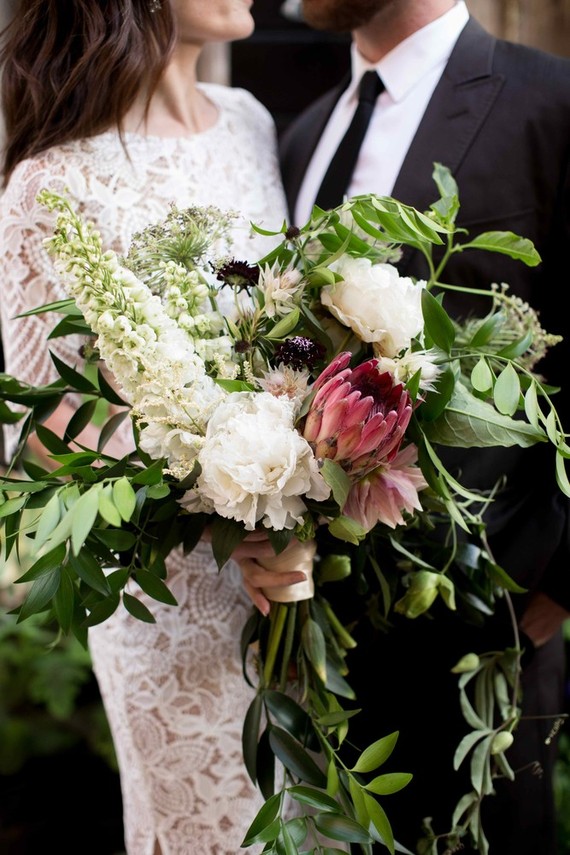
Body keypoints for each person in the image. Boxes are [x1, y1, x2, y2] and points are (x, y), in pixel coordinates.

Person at [247, 2, 570, 854]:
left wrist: (556, 581)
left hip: (484, 638)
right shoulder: (303, 136)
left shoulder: (549, 103)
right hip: (317, 652)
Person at [0, 2, 307, 853]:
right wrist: (213, 495)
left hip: (297, 567)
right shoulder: (52, 180)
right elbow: (42, 435)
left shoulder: (250, 123)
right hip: (168, 602)